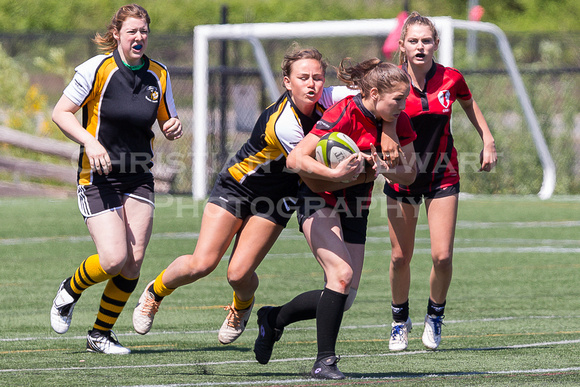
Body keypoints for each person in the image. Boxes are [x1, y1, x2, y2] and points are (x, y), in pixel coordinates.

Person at [131, 46, 381, 345]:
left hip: (277, 198)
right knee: (203, 263)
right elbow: (313, 180)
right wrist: (350, 173)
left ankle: (241, 305)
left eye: (317, 77)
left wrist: (389, 131)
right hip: (238, 187)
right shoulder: (285, 123)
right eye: (303, 77)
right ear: (287, 82)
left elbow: (375, 97)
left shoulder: (328, 98)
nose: (312, 84)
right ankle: (155, 292)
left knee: (238, 274)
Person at [253, 58, 417, 380]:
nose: (403, 105)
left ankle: (273, 319)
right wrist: (335, 173)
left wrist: (385, 169)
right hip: (318, 198)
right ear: (373, 93)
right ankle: (323, 362)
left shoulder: (399, 121)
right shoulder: (343, 112)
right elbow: (296, 157)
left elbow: (410, 174)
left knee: (344, 298)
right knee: (339, 275)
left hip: (357, 206)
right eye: (397, 99)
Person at [49, 3, 182, 355]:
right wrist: (89, 141)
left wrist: (172, 126)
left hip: (138, 176)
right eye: (132, 31)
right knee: (112, 259)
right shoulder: (97, 68)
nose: (139, 37)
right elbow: (60, 113)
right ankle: (69, 290)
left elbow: (168, 120)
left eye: (144, 31)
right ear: (116, 35)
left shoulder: (160, 74)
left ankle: (100, 334)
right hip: (98, 176)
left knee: (133, 262)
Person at [385, 11, 497, 352]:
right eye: (414, 41)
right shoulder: (390, 80)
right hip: (401, 176)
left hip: (442, 174)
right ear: (402, 45)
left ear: (436, 44)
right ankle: (399, 320)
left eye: (427, 40)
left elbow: (469, 102)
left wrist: (488, 140)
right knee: (399, 258)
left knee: (442, 256)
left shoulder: (451, 78)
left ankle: (435, 315)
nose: (420, 47)